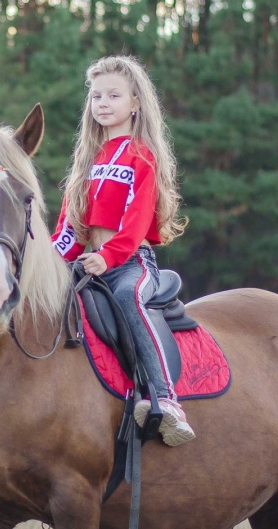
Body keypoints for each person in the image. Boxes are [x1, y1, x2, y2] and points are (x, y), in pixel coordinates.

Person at [51, 55, 193, 445]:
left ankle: (165, 399)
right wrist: (44, 264)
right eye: (96, 95)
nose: (102, 102)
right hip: (87, 263)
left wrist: (108, 257)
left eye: (114, 95)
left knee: (130, 298)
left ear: (135, 104)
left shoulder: (141, 158)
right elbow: (68, 230)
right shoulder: (86, 163)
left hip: (130, 263)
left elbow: (133, 225)